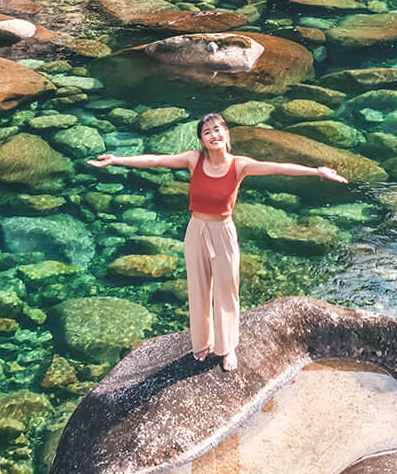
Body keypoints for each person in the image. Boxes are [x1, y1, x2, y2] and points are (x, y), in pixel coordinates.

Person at [89, 113, 348, 371]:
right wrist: (117, 159)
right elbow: (156, 160)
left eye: (217, 129)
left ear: (226, 133)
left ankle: (228, 347)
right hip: (196, 229)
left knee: (227, 290)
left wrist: (317, 171)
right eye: (207, 132)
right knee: (198, 288)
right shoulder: (194, 160)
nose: (214, 135)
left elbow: (278, 167)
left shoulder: (239, 165)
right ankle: (202, 342)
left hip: (223, 231)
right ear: (202, 140)